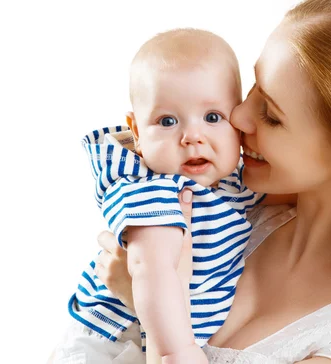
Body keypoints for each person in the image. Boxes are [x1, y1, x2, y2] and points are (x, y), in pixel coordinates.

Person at [95, 0, 331, 363]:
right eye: (252, 89)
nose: (238, 117)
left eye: (271, 115)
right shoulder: (232, 206)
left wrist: (145, 300)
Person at [49, 28, 295, 364]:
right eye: (167, 121)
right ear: (136, 131)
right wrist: (177, 353)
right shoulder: (156, 191)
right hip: (117, 343)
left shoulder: (232, 182)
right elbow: (151, 271)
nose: (192, 136)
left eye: (212, 117)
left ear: (236, 122)